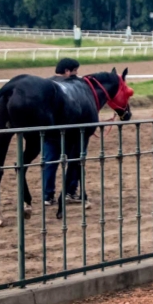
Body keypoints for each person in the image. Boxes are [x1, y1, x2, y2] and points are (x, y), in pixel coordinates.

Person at [44, 57, 90, 207]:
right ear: (67, 71)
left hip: (49, 132)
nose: (77, 74)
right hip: (70, 132)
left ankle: (47, 195)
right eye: (75, 71)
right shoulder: (73, 85)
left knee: (50, 162)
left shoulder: (46, 84)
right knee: (74, 160)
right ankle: (70, 192)